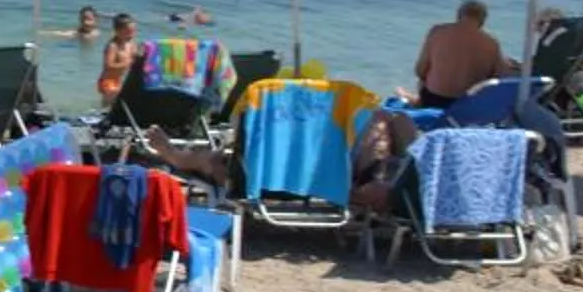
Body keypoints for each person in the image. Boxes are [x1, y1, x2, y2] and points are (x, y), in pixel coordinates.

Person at [138, 107, 423, 215]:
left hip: (283, 173)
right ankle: (177, 155)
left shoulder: (245, 172)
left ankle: (176, 156)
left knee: (213, 161)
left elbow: (229, 179)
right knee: (390, 118)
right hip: (325, 173)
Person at [408, 0, 507, 108]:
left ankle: (415, 101)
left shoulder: (437, 32)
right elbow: (500, 76)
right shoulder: (491, 43)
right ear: (483, 20)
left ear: (459, 15)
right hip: (468, 103)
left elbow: (420, 70)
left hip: (434, 98)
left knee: (421, 82)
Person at [95, 12, 142, 103]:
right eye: (129, 31)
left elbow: (136, 55)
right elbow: (108, 66)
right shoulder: (113, 46)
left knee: (120, 103)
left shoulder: (131, 43)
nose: (132, 34)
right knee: (110, 104)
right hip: (107, 81)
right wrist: (128, 63)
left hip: (119, 80)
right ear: (117, 31)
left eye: (134, 30)